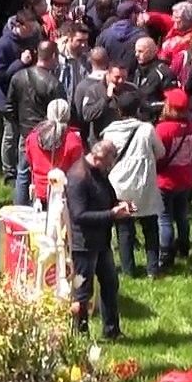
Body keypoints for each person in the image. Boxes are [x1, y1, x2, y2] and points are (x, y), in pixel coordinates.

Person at [66, 140, 130, 340]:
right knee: (82, 293)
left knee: (110, 284)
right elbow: (79, 215)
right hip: (83, 245)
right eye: (108, 162)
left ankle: (112, 331)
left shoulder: (98, 172)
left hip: (101, 242)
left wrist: (121, 206)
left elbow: (107, 197)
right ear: (98, 157)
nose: (109, 167)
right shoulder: (78, 177)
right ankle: (80, 336)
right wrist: (111, 214)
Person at [102, 92, 165, 278]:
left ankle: (129, 270)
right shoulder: (147, 129)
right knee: (150, 227)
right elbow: (160, 152)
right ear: (138, 109)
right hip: (143, 183)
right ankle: (153, 268)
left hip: (119, 184)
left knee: (124, 229)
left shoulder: (109, 131)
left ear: (119, 110)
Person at [8, 41, 66, 205]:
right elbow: (61, 111)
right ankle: (46, 206)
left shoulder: (18, 77)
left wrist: (19, 124)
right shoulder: (53, 83)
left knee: (23, 172)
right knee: (47, 172)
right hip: (48, 135)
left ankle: (19, 208)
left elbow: (10, 105)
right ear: (53, 56)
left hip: (26, 132)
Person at [0, 9, 41, 184]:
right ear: (18, 25)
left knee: (24, 135)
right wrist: (20, 62)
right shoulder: (3, 45)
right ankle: (9, 171)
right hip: (8, 98)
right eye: (29, 28)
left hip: (27, 97)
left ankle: (23, 168)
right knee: (11, 134)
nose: (32, 31)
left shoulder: (32, 39)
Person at [155, 88, 192, 269]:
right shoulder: (190, 126)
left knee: (164, 218)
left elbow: (158, 155)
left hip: (165, 179)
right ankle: (184, 245)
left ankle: (165, 254)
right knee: (182, 215)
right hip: (185, 177)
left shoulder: (163, 129)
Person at [25, 99, 85, 208]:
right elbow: (78, 170)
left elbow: (30, 162)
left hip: (39, 194)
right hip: (64, 195)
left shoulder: (32, 137)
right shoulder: (73, 139)